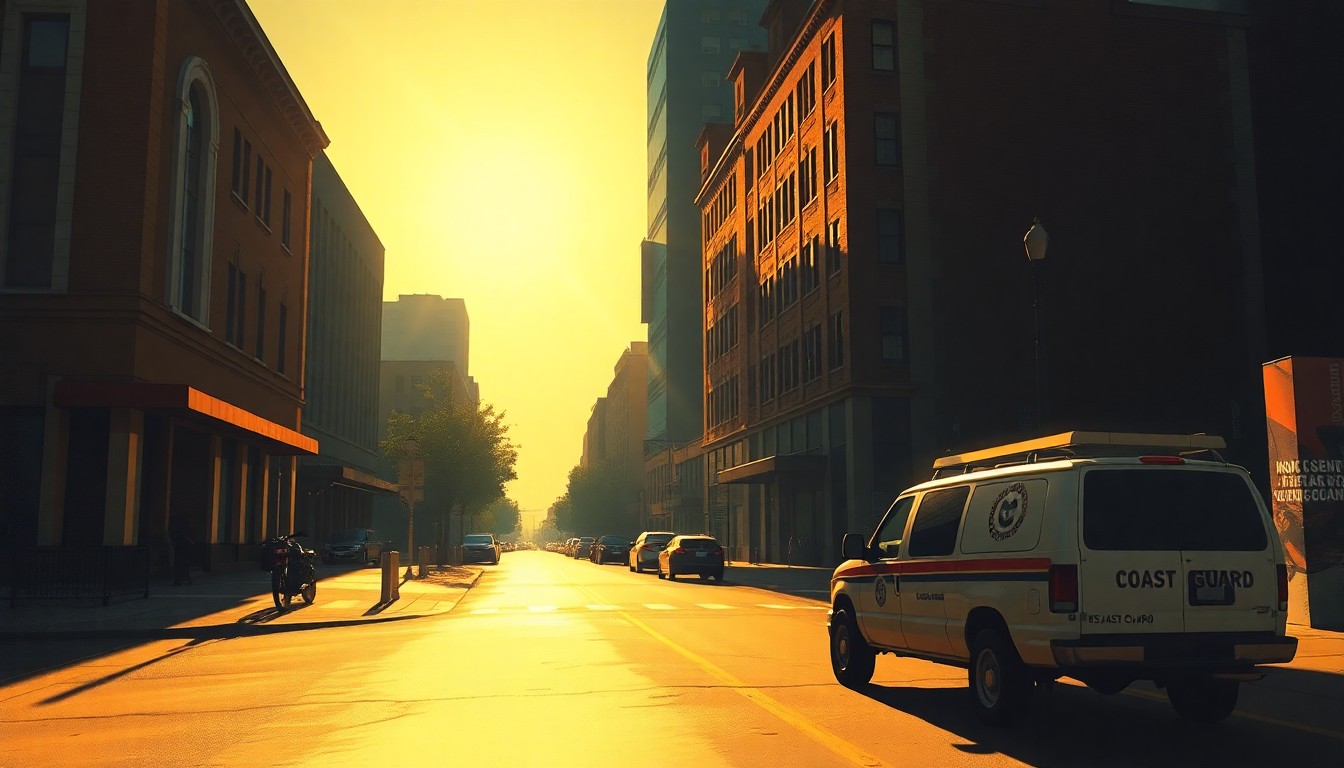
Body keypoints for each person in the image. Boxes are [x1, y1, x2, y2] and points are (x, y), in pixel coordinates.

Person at [168, 513, 193, 586]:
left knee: (179, 564)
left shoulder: (177, 530)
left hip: (180, 548)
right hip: (184, 547)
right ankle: (185, 579)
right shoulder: (186, 529)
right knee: (185, 564)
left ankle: (179, 580)